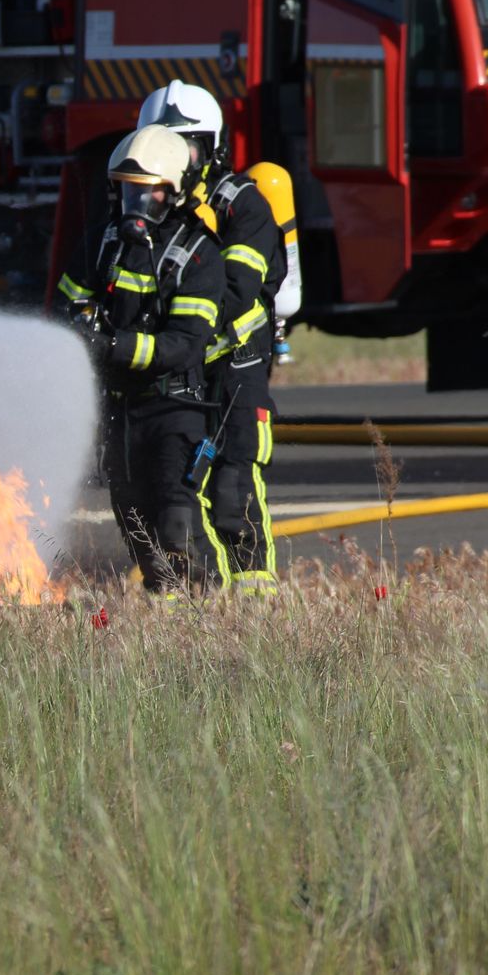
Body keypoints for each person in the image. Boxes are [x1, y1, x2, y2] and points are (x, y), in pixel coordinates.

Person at [56, 124, 230, 598]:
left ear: (172, 192)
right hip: (121, 412)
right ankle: (168, 620)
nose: (136, 204)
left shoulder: (197, 255)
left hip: (174, 408)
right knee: (136, 529)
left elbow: (186, 344)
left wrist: (113, 348)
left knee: (177, 525)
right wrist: (81, 326)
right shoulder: (103, 243)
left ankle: (206, 609)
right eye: (128, 191)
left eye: (147, 192)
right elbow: (69, 302)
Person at [138, 79, 285, 597]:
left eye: (185, 145)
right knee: (175, 492)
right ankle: (199, 606)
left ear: (211, 147)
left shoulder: (243, 206)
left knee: (232, 492)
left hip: (236, 369)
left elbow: (239, 287)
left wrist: (178, 331)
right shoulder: (151, 209)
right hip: (183, 372)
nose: (171, 157)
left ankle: (257, 609)